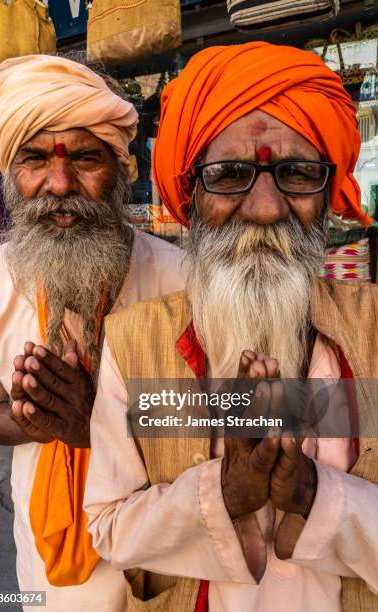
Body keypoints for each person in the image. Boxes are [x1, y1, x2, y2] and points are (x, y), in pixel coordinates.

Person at [84, 42, 378, 611]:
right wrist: (223, 494)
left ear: (328, 192)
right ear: (188, 194)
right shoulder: (135, 343)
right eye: (229, 174)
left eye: (295, 173)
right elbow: (109, 526)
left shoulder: (374, 332)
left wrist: (319, 498)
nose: (265, 207)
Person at [0, 54, 185, 611]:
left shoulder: (181, 279)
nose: (59, 183)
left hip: (166, 567)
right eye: (35, 159)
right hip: (43, 569)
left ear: (120, 168)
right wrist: (33, 420)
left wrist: (104, 420)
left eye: (86, 158)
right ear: (10, 176)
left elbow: (228, 421)